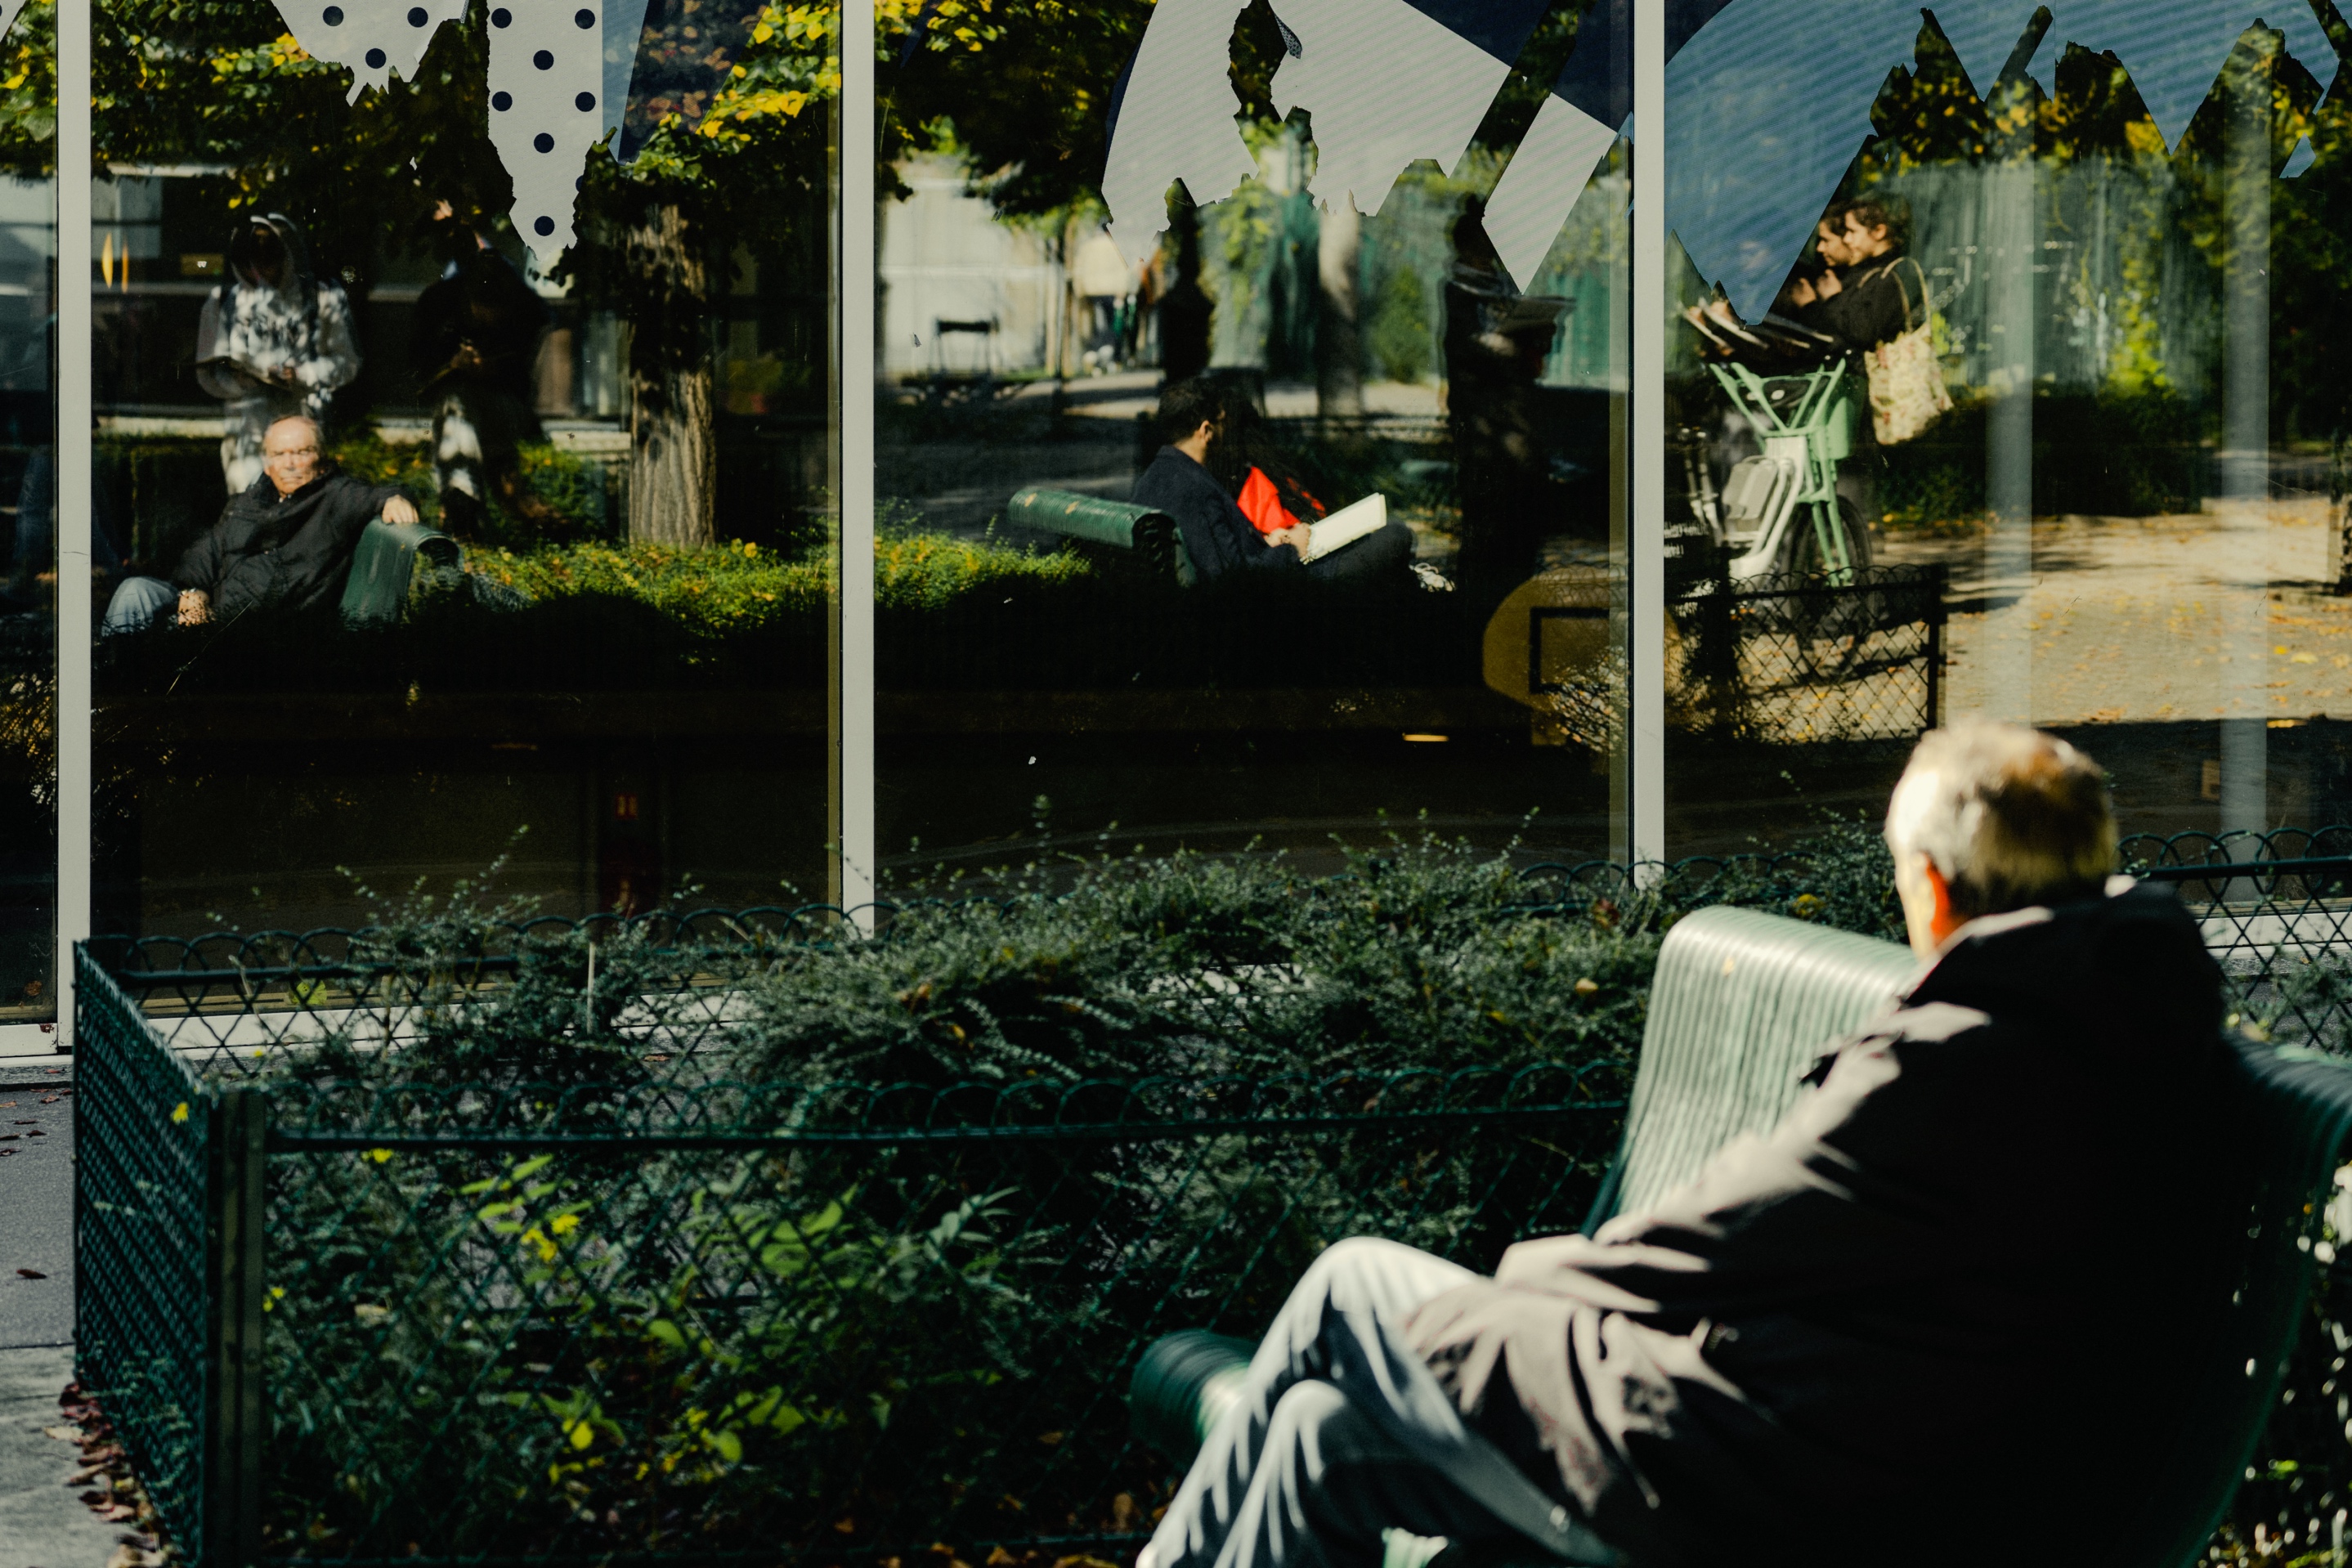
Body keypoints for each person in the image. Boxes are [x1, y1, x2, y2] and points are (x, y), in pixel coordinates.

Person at [1136, 719, 2229, 1568]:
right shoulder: (2119, 1021)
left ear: (1933, 888)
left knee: (1350, 1286)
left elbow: (1694, 1247)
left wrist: (1519, 1283)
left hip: (1787, 1495)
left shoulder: (1956, 1060)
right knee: (1322, 1434)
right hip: (1897, 1465)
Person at [102, 414, 419, 635]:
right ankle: (106, 691)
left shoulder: (334, 498)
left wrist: (393, 499)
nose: (290, 463)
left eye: (301, 452)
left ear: (321, 460)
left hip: (243, 634)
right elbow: (207, 551)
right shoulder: (249, 501)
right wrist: (193, 593)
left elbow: (379, 493)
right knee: (135, 591)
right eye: (280, 454)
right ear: (267, 464)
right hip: (206, 615)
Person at [1131, 377, 1415, 586]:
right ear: (1206, 431)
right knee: (1396, 536)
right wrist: (1292, 551)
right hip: (1288, 592)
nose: (1224, 432)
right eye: (1221, 424)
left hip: (1263, 573)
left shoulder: (1154, 478)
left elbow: (1219, 554)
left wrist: (1268, 540)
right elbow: (1233, 581)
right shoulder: (1195, 488)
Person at [195, 213, 362, 495]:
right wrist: (238, 380)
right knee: (252, 510)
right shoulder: (223, 303)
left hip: (304, 425)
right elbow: (208, 370)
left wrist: (303, 373)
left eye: (268, 257)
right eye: (252, 260)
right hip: (248, 432)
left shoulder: (322, 298)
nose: (261, 269)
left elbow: (348, 362)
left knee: (302, 505)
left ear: (286, 254)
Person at [410, 215, 556, 535]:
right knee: (456, 407)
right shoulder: (440, 306)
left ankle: (462, 506)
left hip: (506, 410)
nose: (491, 320)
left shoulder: (525, 314)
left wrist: (493, 369)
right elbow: (419, 375)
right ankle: (464, 505)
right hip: (456, 409)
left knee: (461, 412)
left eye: (498, 312)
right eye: (484, 310)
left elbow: (522, 377)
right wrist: (452, 363)